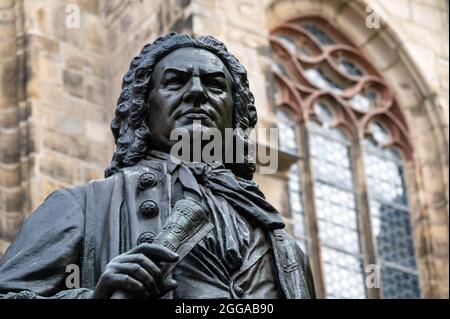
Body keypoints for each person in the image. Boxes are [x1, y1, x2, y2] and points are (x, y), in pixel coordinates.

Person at [0, 32, 315, 299]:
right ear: (143, 106)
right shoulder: (84, 206)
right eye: (176, 82)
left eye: (214, 85)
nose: (196, 92)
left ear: (235, 113)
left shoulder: (285, 250)